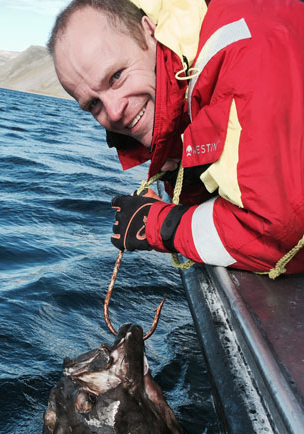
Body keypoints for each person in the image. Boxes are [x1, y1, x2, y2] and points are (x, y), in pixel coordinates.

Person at [48, 0, 304, 276]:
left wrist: (156, 224)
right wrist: (178, 159)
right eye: (93, 105)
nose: (113, 111)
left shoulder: (244, 54)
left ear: (148, 31)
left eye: (117, 76)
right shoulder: (190, 64)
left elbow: (278, 235)